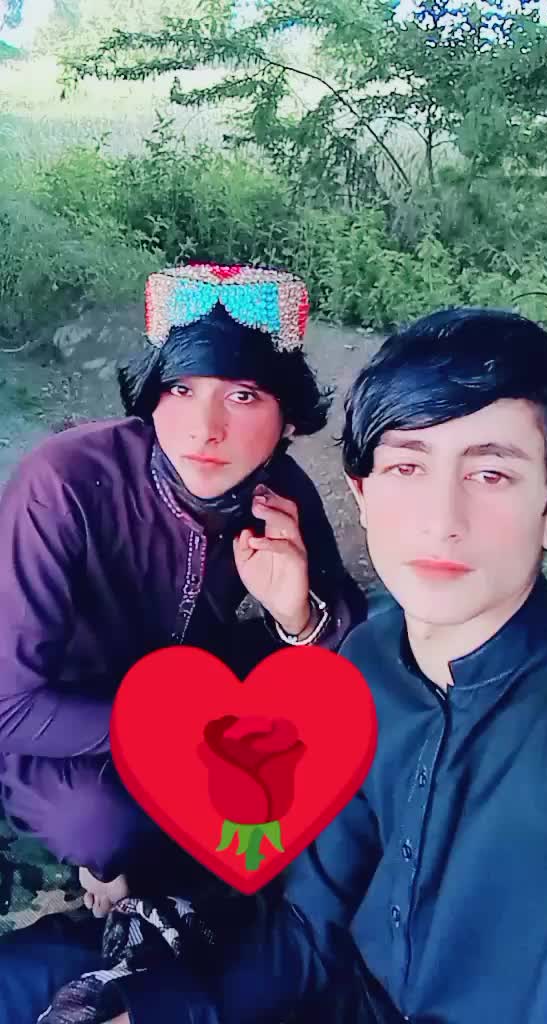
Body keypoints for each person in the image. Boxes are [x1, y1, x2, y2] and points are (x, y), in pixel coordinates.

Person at [87, 307, 547, 1024]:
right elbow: (310, 928)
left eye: (492, 473)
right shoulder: (368, 665)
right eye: (407, 466)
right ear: (362, 495)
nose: (442, 519)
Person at [0, 263, 365, 932]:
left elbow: (343, 653)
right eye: (181, 388)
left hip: (197, 691)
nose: (204, 428)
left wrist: (297, 616)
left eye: (244, 396)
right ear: (150, 397)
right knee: (101, 826)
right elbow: (10, 707)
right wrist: (180, 733)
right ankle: (98, 866)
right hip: (68, 721)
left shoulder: (278, 491)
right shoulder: (63, 484)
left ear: (286, 419)